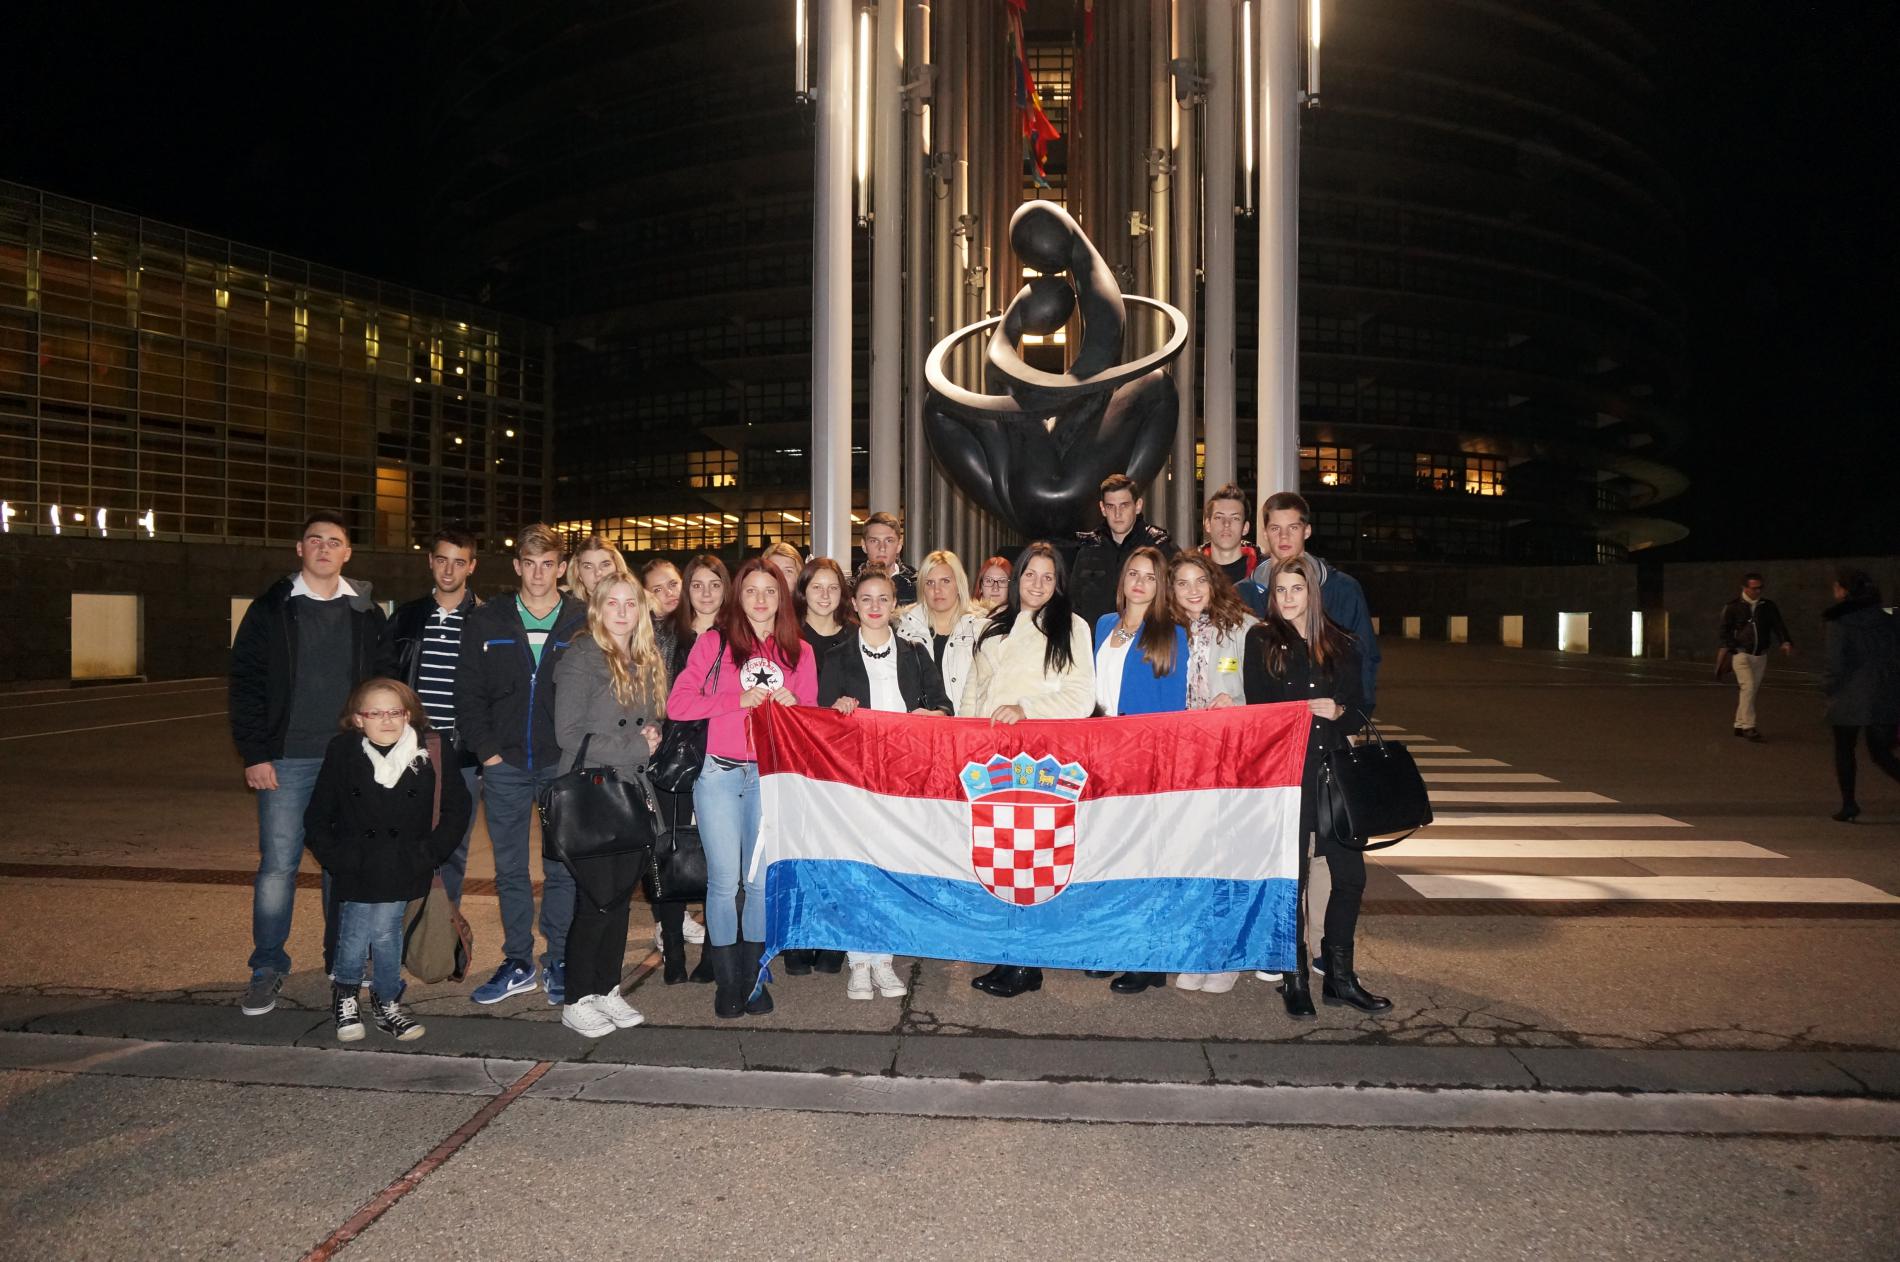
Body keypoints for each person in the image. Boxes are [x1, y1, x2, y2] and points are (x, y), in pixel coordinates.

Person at [230, 511, 387, 1017]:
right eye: (314, 539)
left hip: (348, 760)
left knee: (342, 865)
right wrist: (256, 753)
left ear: (347, 553)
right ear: (300, 549)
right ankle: (267, 966)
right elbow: (246, 683)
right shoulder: (272, 609)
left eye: (334, 541)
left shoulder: (365, 612)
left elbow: (383, 686)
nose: (323, 547)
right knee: (278, 867)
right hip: (287, 759)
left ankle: (342, 961)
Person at [668, 558, 818, 1018]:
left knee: (757, 884)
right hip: (720, 773)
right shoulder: (714, 643)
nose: (760, 599)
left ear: (782, 598)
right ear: (738, 596)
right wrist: (736, 699)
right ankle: (726, 981)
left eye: (770, 591)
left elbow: (812, 719)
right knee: (722, 881)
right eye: (750, 590)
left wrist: (796, 704)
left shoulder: (799, 651)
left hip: (769, 779)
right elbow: (678, 704)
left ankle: (752, 979)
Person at [1244, 555, 1391, 1018]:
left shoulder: (1341, 642)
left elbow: (1360, 707)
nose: (1287, 598)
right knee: (1294, 879)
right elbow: (1258, 710)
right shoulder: (1262, 639)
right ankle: (1295, 978)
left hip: (1334, 773)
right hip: (1288, 774)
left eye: (1296, 589)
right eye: (1280, 590)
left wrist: (1339, 712)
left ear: (1313, 592)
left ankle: (1340, 978)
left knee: (1351, 877)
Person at [455, 525, 587, 1006]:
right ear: (517, 566)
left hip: (559, 764)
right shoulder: (488, 619)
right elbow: (467, 692)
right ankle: (517, 960)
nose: (538, 574)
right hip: (505, 764)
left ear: (562, 568)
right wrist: (488, 751)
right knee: (510, 868)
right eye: (529, 564)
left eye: (548, 564)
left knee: (561, 867)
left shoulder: (581, 620)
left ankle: (559, 958)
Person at [961, 541, 1097, 999]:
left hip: (1039, 762)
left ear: (1059, 583)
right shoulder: (995, 625)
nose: (1038, 584)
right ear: (1017, 577)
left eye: (1048, 576)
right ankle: (1008, 953)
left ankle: (1026, 961)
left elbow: (1081, 697)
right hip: (989, 759)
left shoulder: (1071, 626)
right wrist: (964, 738)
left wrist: (1026, 708)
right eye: (1030, 574)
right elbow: (974, 690)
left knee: (1032, 860)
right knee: (999, 855)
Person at [303, 678, 470, 1043]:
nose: (387, 720)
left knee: (386, 930)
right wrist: (337, 857)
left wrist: (428, 853)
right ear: (358, 719)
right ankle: (347, 995)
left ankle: (385, 1001)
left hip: (404, 860)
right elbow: (318, 813)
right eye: (375, 713)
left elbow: (457, 808)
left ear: (408, 715)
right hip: (357, 861)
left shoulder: (430, 749)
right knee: (355, 932)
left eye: (395, 712)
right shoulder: (343, 750)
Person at [819, 564, 952, 1000]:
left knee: (893, 867)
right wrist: (835, 711)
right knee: (858, 868)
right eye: (866, 599)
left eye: (883, 599)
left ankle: (885, 957)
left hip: (903, 781)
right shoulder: (836, 657)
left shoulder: (915, 653)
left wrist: (930, 715)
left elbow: (944, 707)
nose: (875, 606)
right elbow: (819, 721)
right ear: (854, 605)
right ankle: (859, 959)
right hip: (855, 781)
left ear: (895, 604)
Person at [552, 577, 668, 1037]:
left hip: (631, 790)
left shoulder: (645, 657)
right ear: (597, 609)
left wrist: (654, 731)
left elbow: (650, 716)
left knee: (619, 899)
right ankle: (577, 997)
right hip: (594, 792)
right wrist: (636, 746)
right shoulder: (582, 656)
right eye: (612, 603)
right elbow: (568, 734)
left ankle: (607, 987)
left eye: (630, 604)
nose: (622, 612)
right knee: (595, 900)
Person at [1091, 546, 1189, 996]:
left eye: (1150, 576)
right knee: (1108, 857)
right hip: (1101, 755)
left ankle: (1149, 959)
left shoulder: (1171, 634)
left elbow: (1174, 710)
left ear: (1160, 585)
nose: (1140, 582)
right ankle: (1114, 945)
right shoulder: (1103, 626)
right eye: (1134, 573)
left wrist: (1161, 766)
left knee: (1144, 859)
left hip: (1145, 758)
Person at [1167, 550, 1260, 996]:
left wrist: (1236, 702)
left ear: (1214, 583)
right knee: (1192, 858)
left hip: (1230, 757)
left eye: (1199, 581)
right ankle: (1196, 949)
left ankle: (1227, 955)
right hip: (1184, 762)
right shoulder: (1166, 632)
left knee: (1228, 857)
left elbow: (1266, 691)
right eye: (1182, 583)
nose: (1192, 591)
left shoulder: (1244, 627)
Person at [378, 527, 482, 903]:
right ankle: (399, 926)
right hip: (410, 749)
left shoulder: (486, 620)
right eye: (442, 560)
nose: (449, 570)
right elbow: (384, 679)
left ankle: (442, 929)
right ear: (430, 561)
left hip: (462, 755)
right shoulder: (406, 618)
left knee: (453, 849)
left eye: (459, 562)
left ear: (472, 566)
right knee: (402, 841)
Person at [782, 556, 855, 976]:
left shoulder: (857, 635)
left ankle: (833, 935)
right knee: (800, 847)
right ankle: (799, 934)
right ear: (803, 592)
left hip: (843, 762)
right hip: (799, 760)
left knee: (838, 849)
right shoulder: (787, 637)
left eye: (833, 587)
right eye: (816, 587)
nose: (825, 595)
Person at [1250, 491, 1379, 715]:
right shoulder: (1245, 593)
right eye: (1275, 528)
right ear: (1264, 533)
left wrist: (1353, 718)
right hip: (1272, 727)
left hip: (1330, 725)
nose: (1283, 537)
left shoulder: (1343, 589)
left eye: (1293, 527)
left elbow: (1365, 657)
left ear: (1307, 531)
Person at [642, 557, 710, 980]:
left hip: (720, 753)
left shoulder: (732, 633)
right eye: (696, 584)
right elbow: (654, 693)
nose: (703, 593)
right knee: (670, 849)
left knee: (716, 853)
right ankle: (672, 943)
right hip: (674, 756)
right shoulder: (663, 633)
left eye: (673, 585)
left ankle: (713, 950)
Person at [1822, 567, 1900, 822]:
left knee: (1845, 750)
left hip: (1849, 693)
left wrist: (1828, 687)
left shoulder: (1839, 622)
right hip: (1884, 691)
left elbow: (1836, 662)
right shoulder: (1888, 618)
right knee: (1881, 753)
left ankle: (1849, 804)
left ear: (1844, 591)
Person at [1069, 473, 1178, 628]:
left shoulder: (1160, 546)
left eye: (1124, 505)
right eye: (1110, 506)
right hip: (1095, 639)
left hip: (1146, 638)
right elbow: (1073, 602)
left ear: (1138, 506)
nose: (1117, 514)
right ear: (1102, 508)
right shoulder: (1088, 548)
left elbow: (1177, 595)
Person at [895, 549, 988, 713]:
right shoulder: (905, 631)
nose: (937, 590)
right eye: (930, 583)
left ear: (959, 584)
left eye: (945, 581)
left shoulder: (980, 630)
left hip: (968, 724)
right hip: (920, 725)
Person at [1720, 572, 1795, 742]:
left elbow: (1778, 625)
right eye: (1754, 588)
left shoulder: (1768, 606)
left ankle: (1739, 724)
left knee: (1751, 690)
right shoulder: (1732, 606)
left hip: (1760, 655)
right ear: (1744, 587)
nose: (1758, 591)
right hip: (1741, 654)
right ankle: (1749, 727)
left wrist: (1785, 641)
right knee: (1748, 687)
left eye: (1760, 588)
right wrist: (1733, 647)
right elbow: (1724, 631)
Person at [1200, 483, 1267, 616]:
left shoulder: (1264, 573)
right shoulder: (1191, 572)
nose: (1226, 524)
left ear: (1245, 528)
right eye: (1219, 517)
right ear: (1207, 524)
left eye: (1235, 518)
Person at [640, 557, 686, 676]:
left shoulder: (698, 624)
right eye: (658, 589)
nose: (669, 593)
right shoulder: (640, 632)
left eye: (673, 584)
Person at [861, 512, 918, 603]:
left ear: (899, 545)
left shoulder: (918, 587)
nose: (882, 548)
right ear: (864, 545)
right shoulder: (849, 590)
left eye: (889, 541)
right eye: (874, 541)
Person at [569, 535, 634, 605]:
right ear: (578, 572)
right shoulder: (568, 607)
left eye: (605, 565)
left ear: (617, 566)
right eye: (588, 566)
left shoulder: (638, 604)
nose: (598, 573)